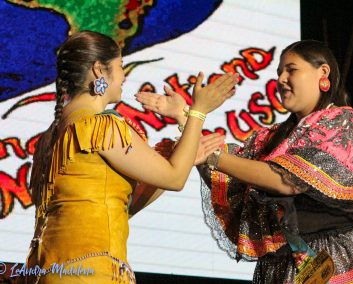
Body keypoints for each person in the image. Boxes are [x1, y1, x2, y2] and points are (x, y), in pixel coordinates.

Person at [136, 40, 353, 283]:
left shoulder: (345, 125)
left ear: (323, 73)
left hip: (345, 258)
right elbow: (231, 173)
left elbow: (286, 180)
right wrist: (185, 116)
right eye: (278, 74)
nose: (281, 79)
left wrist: (214, 156)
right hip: (288, 265)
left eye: (291, 70)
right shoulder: (272, 137)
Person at [24, 30, 237, 283]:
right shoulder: (101, 127)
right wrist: (197, 111)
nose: (124, 75)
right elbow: (175, 178)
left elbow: (125, 206)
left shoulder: (49, 138)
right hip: (93, 271)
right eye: (120, 66)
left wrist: (184, 152)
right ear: (98, 70)